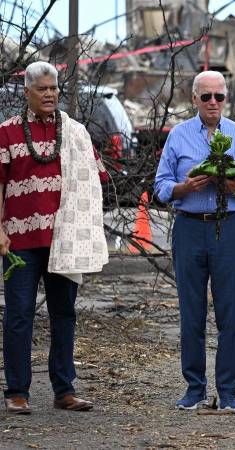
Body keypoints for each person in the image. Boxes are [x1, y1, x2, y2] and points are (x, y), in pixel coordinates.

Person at [0, 61, 109, 414]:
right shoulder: (7, 132)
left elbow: (97, 178)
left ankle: (65, 389)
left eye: (54, 88)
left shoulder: (74, 131)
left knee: (64, 313)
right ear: (27, 91)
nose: (50, 94)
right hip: (19, 241)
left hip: (64, 239)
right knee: (18, 315)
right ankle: (17, 391)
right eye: (42, 89)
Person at [154, 71, 235, 414]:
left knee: (230, 312)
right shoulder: (179, 136)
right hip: (189, 227)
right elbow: (160, 184)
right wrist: (182, 189)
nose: (213, 102)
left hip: (227, 226)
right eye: (206, 97)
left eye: (219, 97)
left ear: (226, 98)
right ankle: (194, 387)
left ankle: (227, 391)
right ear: (194, 98)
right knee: (191, 312)